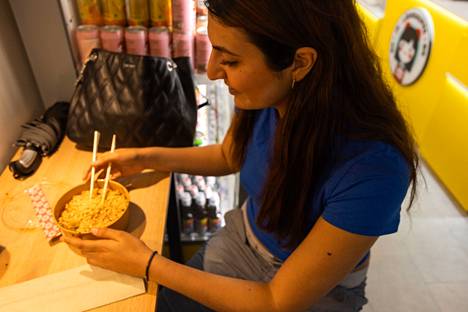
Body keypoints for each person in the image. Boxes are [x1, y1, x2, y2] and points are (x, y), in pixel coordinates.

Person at [63, 0, 419, 311]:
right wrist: (145, 158)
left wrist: (148, 263)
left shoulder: (375, 168)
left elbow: (276, 300)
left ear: (300, 62)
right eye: (214, 50)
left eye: (230, 60)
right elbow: (229, 156)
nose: (215, 71)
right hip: (238, 242)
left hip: (306, 295)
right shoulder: (267, 94)